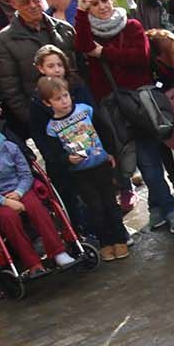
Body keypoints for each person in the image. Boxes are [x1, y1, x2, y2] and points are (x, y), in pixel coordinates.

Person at [74, 0, 174, 234]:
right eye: (94, 4)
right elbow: (82, 45)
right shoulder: (88, 29)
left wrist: (104, 53)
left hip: (139, 102)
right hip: (112, 106)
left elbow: (140, 58)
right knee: (134, 159)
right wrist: (81, 13)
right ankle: (157, 206)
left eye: (104, 0)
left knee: (148, 159)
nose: (102, 7)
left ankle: (170, 208)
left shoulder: (132, 25)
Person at [0, 113, 73, 275]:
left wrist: (19, 193)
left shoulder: (10, 147)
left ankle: (58, 252)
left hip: (20, 188)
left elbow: (26, 174)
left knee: (37, 207)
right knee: (9, 218)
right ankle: (33, 263)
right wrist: (6, 202)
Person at [40, 73, 132, 261]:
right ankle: (105, 242)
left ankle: (120, 238)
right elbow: (54, 153)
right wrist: (67, 159)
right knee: (95, 208)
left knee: (110, 203)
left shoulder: (85, 110)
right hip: (80, 173)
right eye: (58, 99)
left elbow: (104, 130)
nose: (64, 101)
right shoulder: (51, 128)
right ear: (48, 103)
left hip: (101, 165)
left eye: (65, 96)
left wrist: (110, 152)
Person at [0, 0, 77, 139]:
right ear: (14, 4)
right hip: (43, 116)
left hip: (77, 109)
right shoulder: (3, 41)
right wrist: (33, 118)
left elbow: (78, 69)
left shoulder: (63, 28)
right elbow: (10, 87)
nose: (33, 5)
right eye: (25, 2)